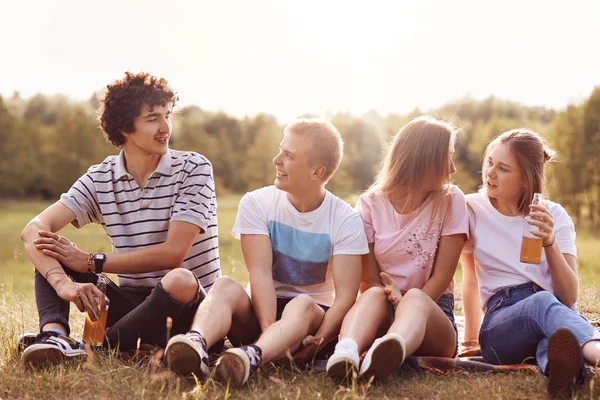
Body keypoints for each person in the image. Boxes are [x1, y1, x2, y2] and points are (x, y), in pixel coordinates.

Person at [19, 72, 220, 368]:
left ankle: (91, 349)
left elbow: (173, 253)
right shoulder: (100, 177)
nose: (165, 127)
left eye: (167, 115)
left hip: (188, 309)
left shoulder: (193, 168)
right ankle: (55, 337)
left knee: (180, 280)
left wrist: (90, 262)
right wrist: (63, 284)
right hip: (128, 304)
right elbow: (33, 230)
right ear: (124, 127)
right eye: (153, 118)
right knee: (52, 246)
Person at [164, 118, 369, 387]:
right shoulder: (256, 202)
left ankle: (251, 357)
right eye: (280, 150)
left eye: (289, 156)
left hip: (308, 324)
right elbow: (259, 273)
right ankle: (196, 342)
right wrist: (269, 330)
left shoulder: (345, 219)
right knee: (225, 285)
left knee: (303, 302)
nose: (276, 160)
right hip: (263, 313)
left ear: (317, 172)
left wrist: (317, 342)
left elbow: (345, 297)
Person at [325, 116, 468, 381]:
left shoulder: (451, 199)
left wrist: (405, 304)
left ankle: (390, 349)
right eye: (446, 159)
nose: (453, 169)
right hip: (383, 306)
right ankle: (346, 352)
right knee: (372, 296)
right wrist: (389, 295)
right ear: (422, 160)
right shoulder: (369, 205)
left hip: (432, 313)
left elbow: (442, 277)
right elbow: (367, 280)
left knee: (415, 297)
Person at [460, 128, 600, 398]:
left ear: (525, 179)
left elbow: (569, 295)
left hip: (551, 310)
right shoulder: (471, 210)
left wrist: (549, 242)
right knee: (543, 305)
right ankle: (595, 349)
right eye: (490, 162)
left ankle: (569, 374)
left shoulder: (554, 216)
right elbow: (470, 279)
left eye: (502, 168)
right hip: (501, 325)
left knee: (557, 338)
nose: (489, 173)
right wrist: (469, 340)